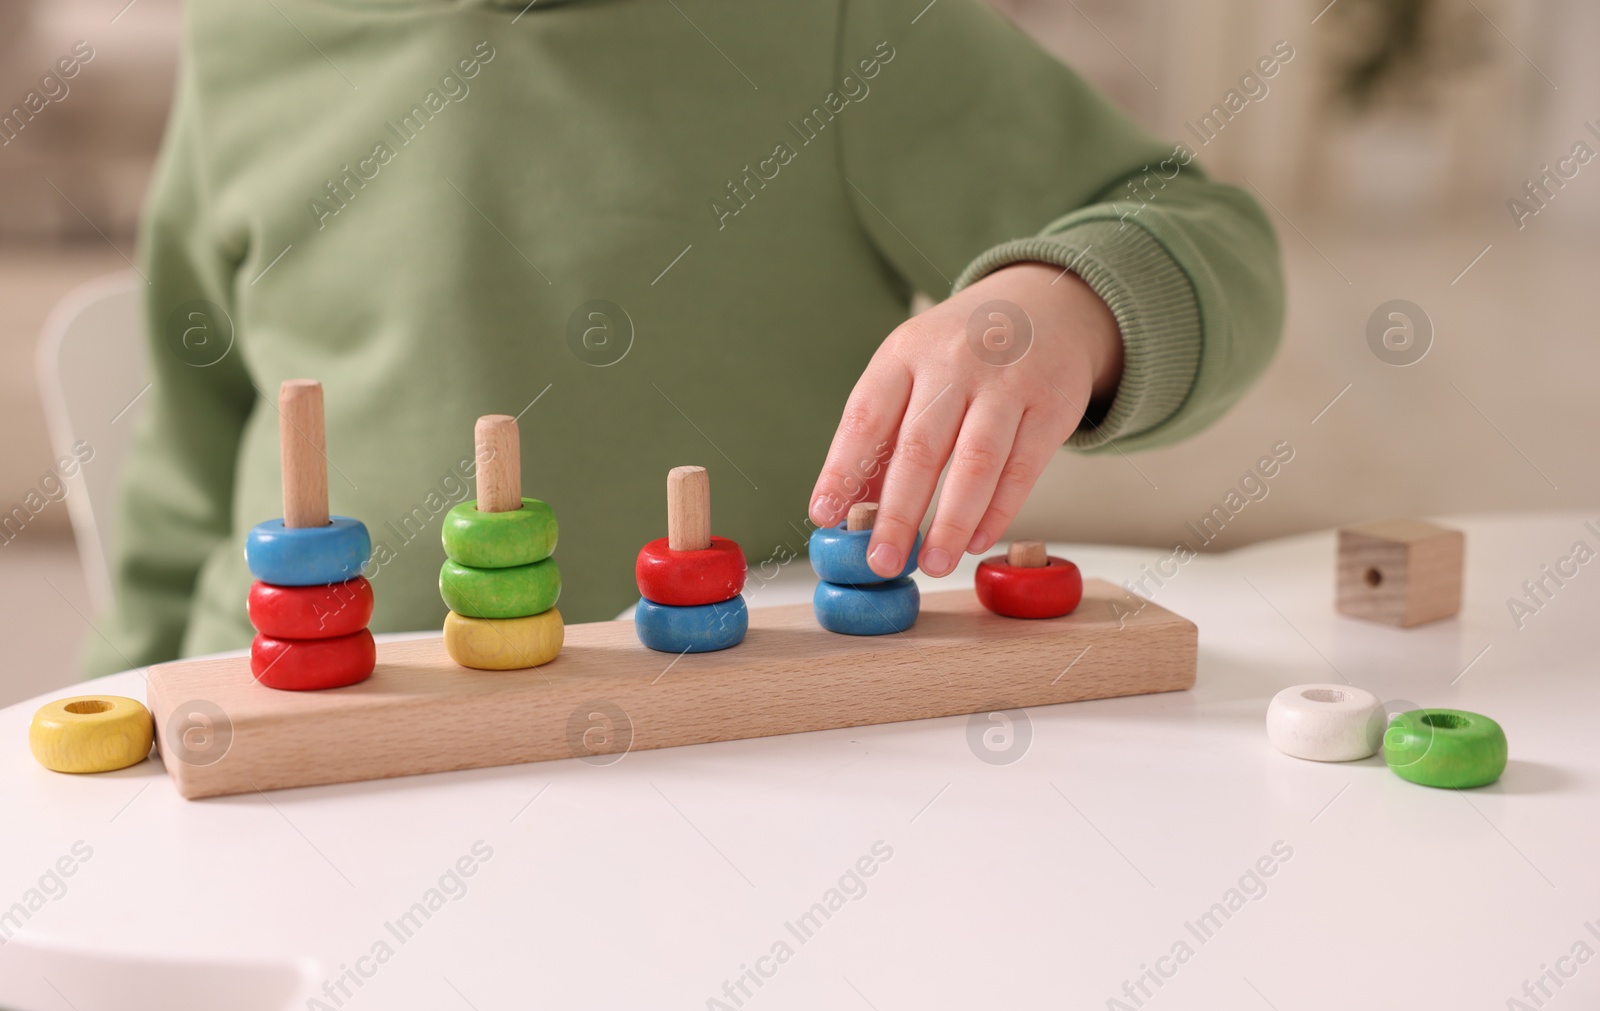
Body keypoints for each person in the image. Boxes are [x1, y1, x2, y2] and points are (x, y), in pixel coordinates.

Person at [82, 0, 1283, 674]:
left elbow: (1204, 232)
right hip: (283, 798)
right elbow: (185, 485)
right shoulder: (244, 38)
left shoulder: (834, 28)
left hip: (718, 789)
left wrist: (1061, 302)